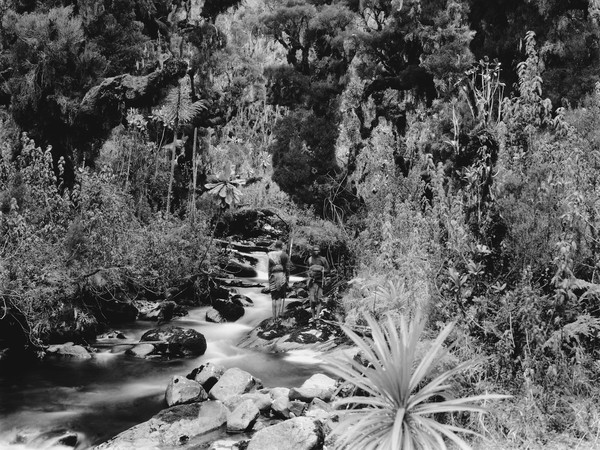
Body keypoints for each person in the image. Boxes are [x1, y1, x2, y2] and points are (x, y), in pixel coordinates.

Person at [267, 240, 289, 322]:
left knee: (273, 297)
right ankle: (278, 316)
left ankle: (273, 317)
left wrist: (268, 277)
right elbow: (287, 268)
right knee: (279, 297)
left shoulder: (270, 254)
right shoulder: (284, 255)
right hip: (281, 276)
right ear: (282, 246)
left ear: (276, 246)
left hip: (272, 276)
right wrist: (287, 279)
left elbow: (268, 268)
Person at [307, 245, 329, 321]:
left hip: (320, 282)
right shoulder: (309, 260)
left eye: (317, 250)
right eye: (315, 250)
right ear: (312, 251)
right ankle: (313, 316)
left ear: (319, 251)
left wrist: (320, 270)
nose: (316, 252)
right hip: (312, 282)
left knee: (319, 299)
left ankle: (317, 316)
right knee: (312, 300)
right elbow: (308, 270)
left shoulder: (323, 260)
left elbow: (328, 270)